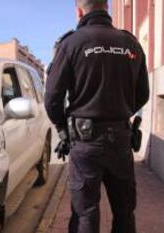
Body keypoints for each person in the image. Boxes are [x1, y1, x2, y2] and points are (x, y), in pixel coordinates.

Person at [44, 0, 150, 233]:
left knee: (86, 213)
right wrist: (118, 112)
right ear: (107, 8)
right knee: (124, 211)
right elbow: (143, 94)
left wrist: (63, 129)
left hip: (85, 142)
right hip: (121, 140)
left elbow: (52, 98)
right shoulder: (130, 43)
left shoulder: (71, 43)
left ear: (79, 11)